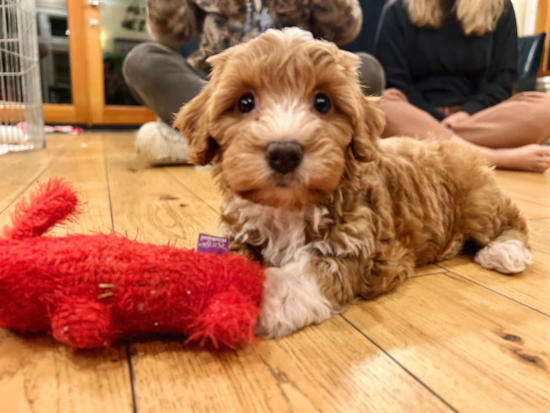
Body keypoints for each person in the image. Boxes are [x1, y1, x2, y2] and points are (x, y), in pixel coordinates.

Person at [124, 0, 386, 165]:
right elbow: (170, 35)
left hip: (303, 96)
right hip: (220, 88)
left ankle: (197, 144)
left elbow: (345, 30)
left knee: (368, 68)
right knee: (142, 60)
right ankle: (210, 129)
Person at [374, 0, 550, 173]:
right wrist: (432, 119)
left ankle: (432, 147)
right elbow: (393, 80)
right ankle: (491, 157)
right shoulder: (398, 7)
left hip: (476, 120)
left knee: (546, 107)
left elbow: (503, 80)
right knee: (381, 104)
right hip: (414, 114)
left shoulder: (500, 7)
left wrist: (466, 113)